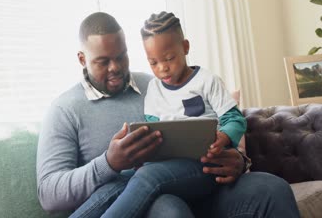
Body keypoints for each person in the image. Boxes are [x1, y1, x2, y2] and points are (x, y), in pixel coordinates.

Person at [36, 12, 300, 218]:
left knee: (272, 189)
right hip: (145, 201)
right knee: (169, 209)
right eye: (103, 61)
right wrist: (110, 162)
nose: (115, 67)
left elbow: (218, 123)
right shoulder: (64, 109)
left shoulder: (155, 84)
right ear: (82, 59)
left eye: (122, 57)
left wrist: (239, 161)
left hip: (201, 182)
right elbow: (49, 194)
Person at [98, 11, 247, 218]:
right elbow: (151, 129)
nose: (163, 68)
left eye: (169, 58)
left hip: (205, 165)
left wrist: (224, 137)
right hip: (167, 166)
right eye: (153, 62)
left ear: (185, 47)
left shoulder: (206, 81)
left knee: (146, 178)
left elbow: (235, 119)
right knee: (118, 181)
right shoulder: (154, 89)